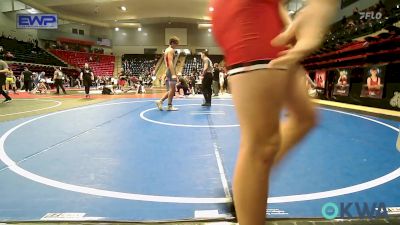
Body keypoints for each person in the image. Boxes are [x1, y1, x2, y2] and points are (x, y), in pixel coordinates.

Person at [212, 0, 339, 225]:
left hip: (270, 12)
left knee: (304, 118)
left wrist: (288, 21)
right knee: (262, 144)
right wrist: (321, 6)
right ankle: (249, 191)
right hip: (248, 11)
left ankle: (249, 186)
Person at [155, 36, 180, 111]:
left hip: (168, 70)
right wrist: (173, 74)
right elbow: (170, 62)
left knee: (171, 90)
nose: (176, 46)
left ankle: (160, 101)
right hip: (170, 70)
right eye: (176, 44)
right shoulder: (170, 50)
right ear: (172, 43)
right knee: (172, 89)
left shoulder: (166, 50)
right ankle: (169, 106)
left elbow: (167, 63)